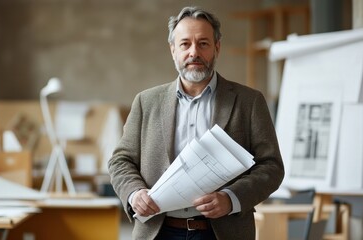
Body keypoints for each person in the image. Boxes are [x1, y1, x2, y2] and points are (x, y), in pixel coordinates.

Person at [108, 6, 284, 240]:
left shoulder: (249, 101)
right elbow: (121, 160)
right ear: (173, 50)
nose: (194, 52)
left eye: (203, 43)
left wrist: (231, 199)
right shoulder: (146, 102)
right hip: (157, 231)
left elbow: (271, 166)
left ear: (216, 47)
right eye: (185, 44)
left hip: (222, 232)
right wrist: (134, 193)